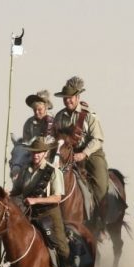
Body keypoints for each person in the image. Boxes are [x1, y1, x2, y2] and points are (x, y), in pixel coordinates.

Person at [13, 137, 79, 267]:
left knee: (61, 246)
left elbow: (57, 198)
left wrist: (36, 200)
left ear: (46, 153)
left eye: (39, 152)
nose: (36, 155)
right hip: (29, 213)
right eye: (34, 152)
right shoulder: (24, 171)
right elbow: (16, 192)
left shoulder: (53, 171)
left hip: (49, 214)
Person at [53, 76, 108, 211]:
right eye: (65, 98)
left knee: (101, 185)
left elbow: (98, 139)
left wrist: (84, 153)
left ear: (77, 97)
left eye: (70, 97)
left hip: (91, 153)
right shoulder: (59, 117)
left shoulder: (89, 115)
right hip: (67, 153)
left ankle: (102, 217)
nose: (67, 100)